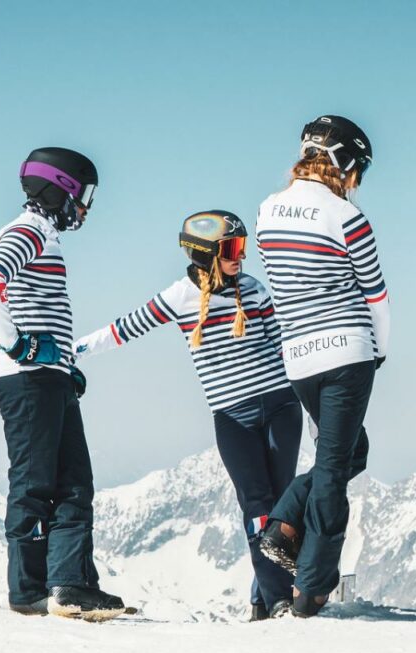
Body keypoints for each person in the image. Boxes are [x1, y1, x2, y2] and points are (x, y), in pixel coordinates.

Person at [74, 211, 300, 620]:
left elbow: (282, 344)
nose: (241, 256)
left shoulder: (253, 290)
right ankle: (279, 599)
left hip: (282, 405)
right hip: (233, 416)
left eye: (243, 247)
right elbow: (124, 329)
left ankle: (263, 600)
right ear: (205, 254)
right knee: (257, 506)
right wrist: (72, 351)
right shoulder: (179, 297)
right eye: (232, 249)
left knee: (282, 504)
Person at [0, 147, 124, 621]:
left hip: (46, 377)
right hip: (24, 377)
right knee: (36, 482)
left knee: (75, 483)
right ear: (61, 188)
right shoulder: (28, 230)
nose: (85, 209)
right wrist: (19, 347)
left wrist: (62, 364)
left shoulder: (45, 235)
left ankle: (71, 584)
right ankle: (28, 590)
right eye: (84, 197)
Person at [255, 115, 390, 617]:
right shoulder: (345, 216)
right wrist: (379, 350)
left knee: (351, 452)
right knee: (335, 467)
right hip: (348, 352)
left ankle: (286, 524)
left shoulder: (266, 211)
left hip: (299, 358)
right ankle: (311, 589)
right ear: (346, 162)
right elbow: (375, 295)